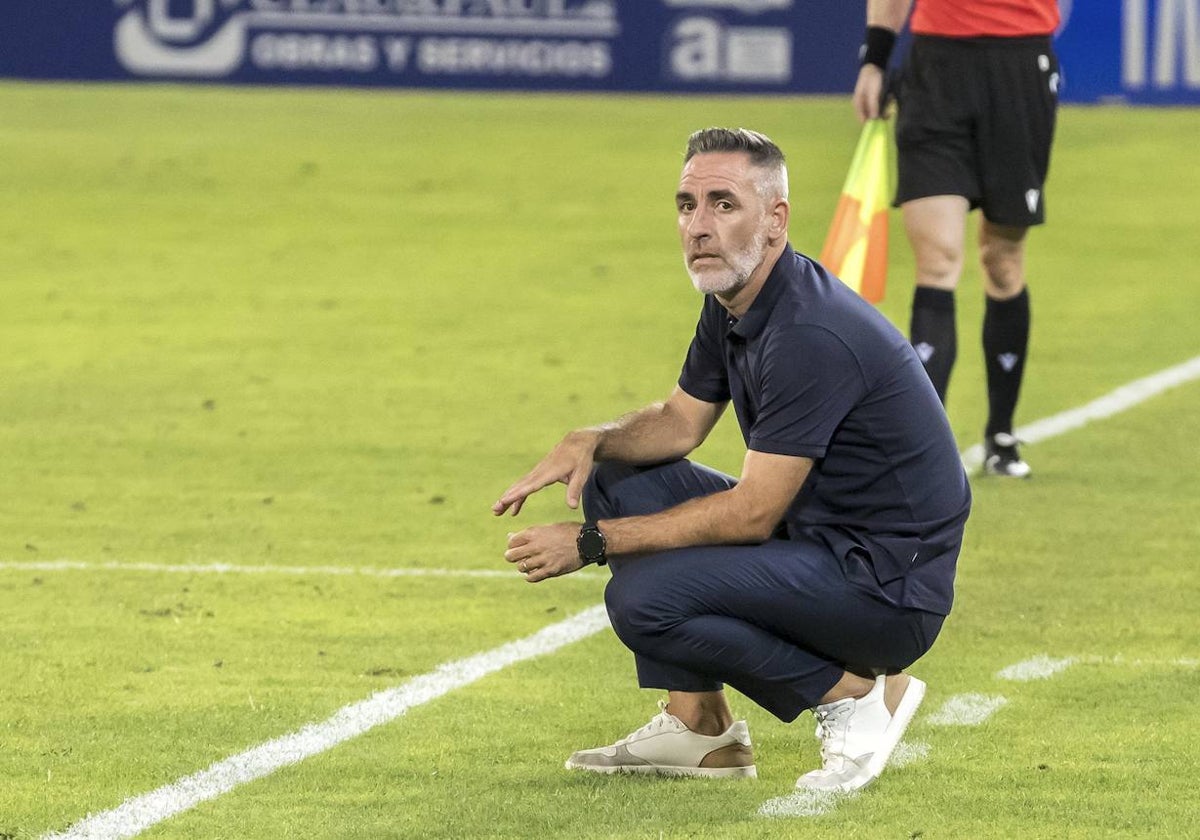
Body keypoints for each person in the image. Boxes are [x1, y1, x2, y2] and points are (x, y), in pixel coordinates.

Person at [492, 128, 971, 793]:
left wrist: (593, 542)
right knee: (617, 478)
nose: (698, 226)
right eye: (687, 205)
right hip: (824, 544)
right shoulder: (738, 299)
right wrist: (592, 439)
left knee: (643, 600)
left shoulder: (808, 334)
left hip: (884, 590)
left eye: (723, 204)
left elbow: (752, 513)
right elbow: (679, 423)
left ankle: (855, 697)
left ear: (775, 220)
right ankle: (701, 730)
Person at [853, 0, 1061, 477]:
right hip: (936, 70)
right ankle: (925, 450)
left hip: (1020, 64)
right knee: (938, 260)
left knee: (1002, 259)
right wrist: (874, 59)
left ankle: (1001, 435)